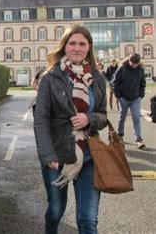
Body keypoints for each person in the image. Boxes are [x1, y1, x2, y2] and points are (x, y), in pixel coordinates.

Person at [34, 24, 107, 234]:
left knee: (87, 219)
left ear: (89, 47)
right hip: (57, 157)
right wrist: (47, 155)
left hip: (89, 156)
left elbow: (103, 117)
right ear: (64, 46)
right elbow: (40, 120)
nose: (77, 48)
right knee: (56, 210)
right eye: (72, 43)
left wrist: (89, 118)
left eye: (82, 44)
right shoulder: (50, 78)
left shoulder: (98, 78)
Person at [112, 53, 146, 149]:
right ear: (129, 60)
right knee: (122, 117)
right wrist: (118, 95)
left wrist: (141, 95)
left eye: (136, 63)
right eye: (132, 63)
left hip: (136, 98)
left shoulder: (140, 69)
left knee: (137, 118)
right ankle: (120, 136)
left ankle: (139, 139)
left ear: (139, 62)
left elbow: (143, 82)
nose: (133, 65)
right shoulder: (122, 68)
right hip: (123, 98)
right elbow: (115, 82)